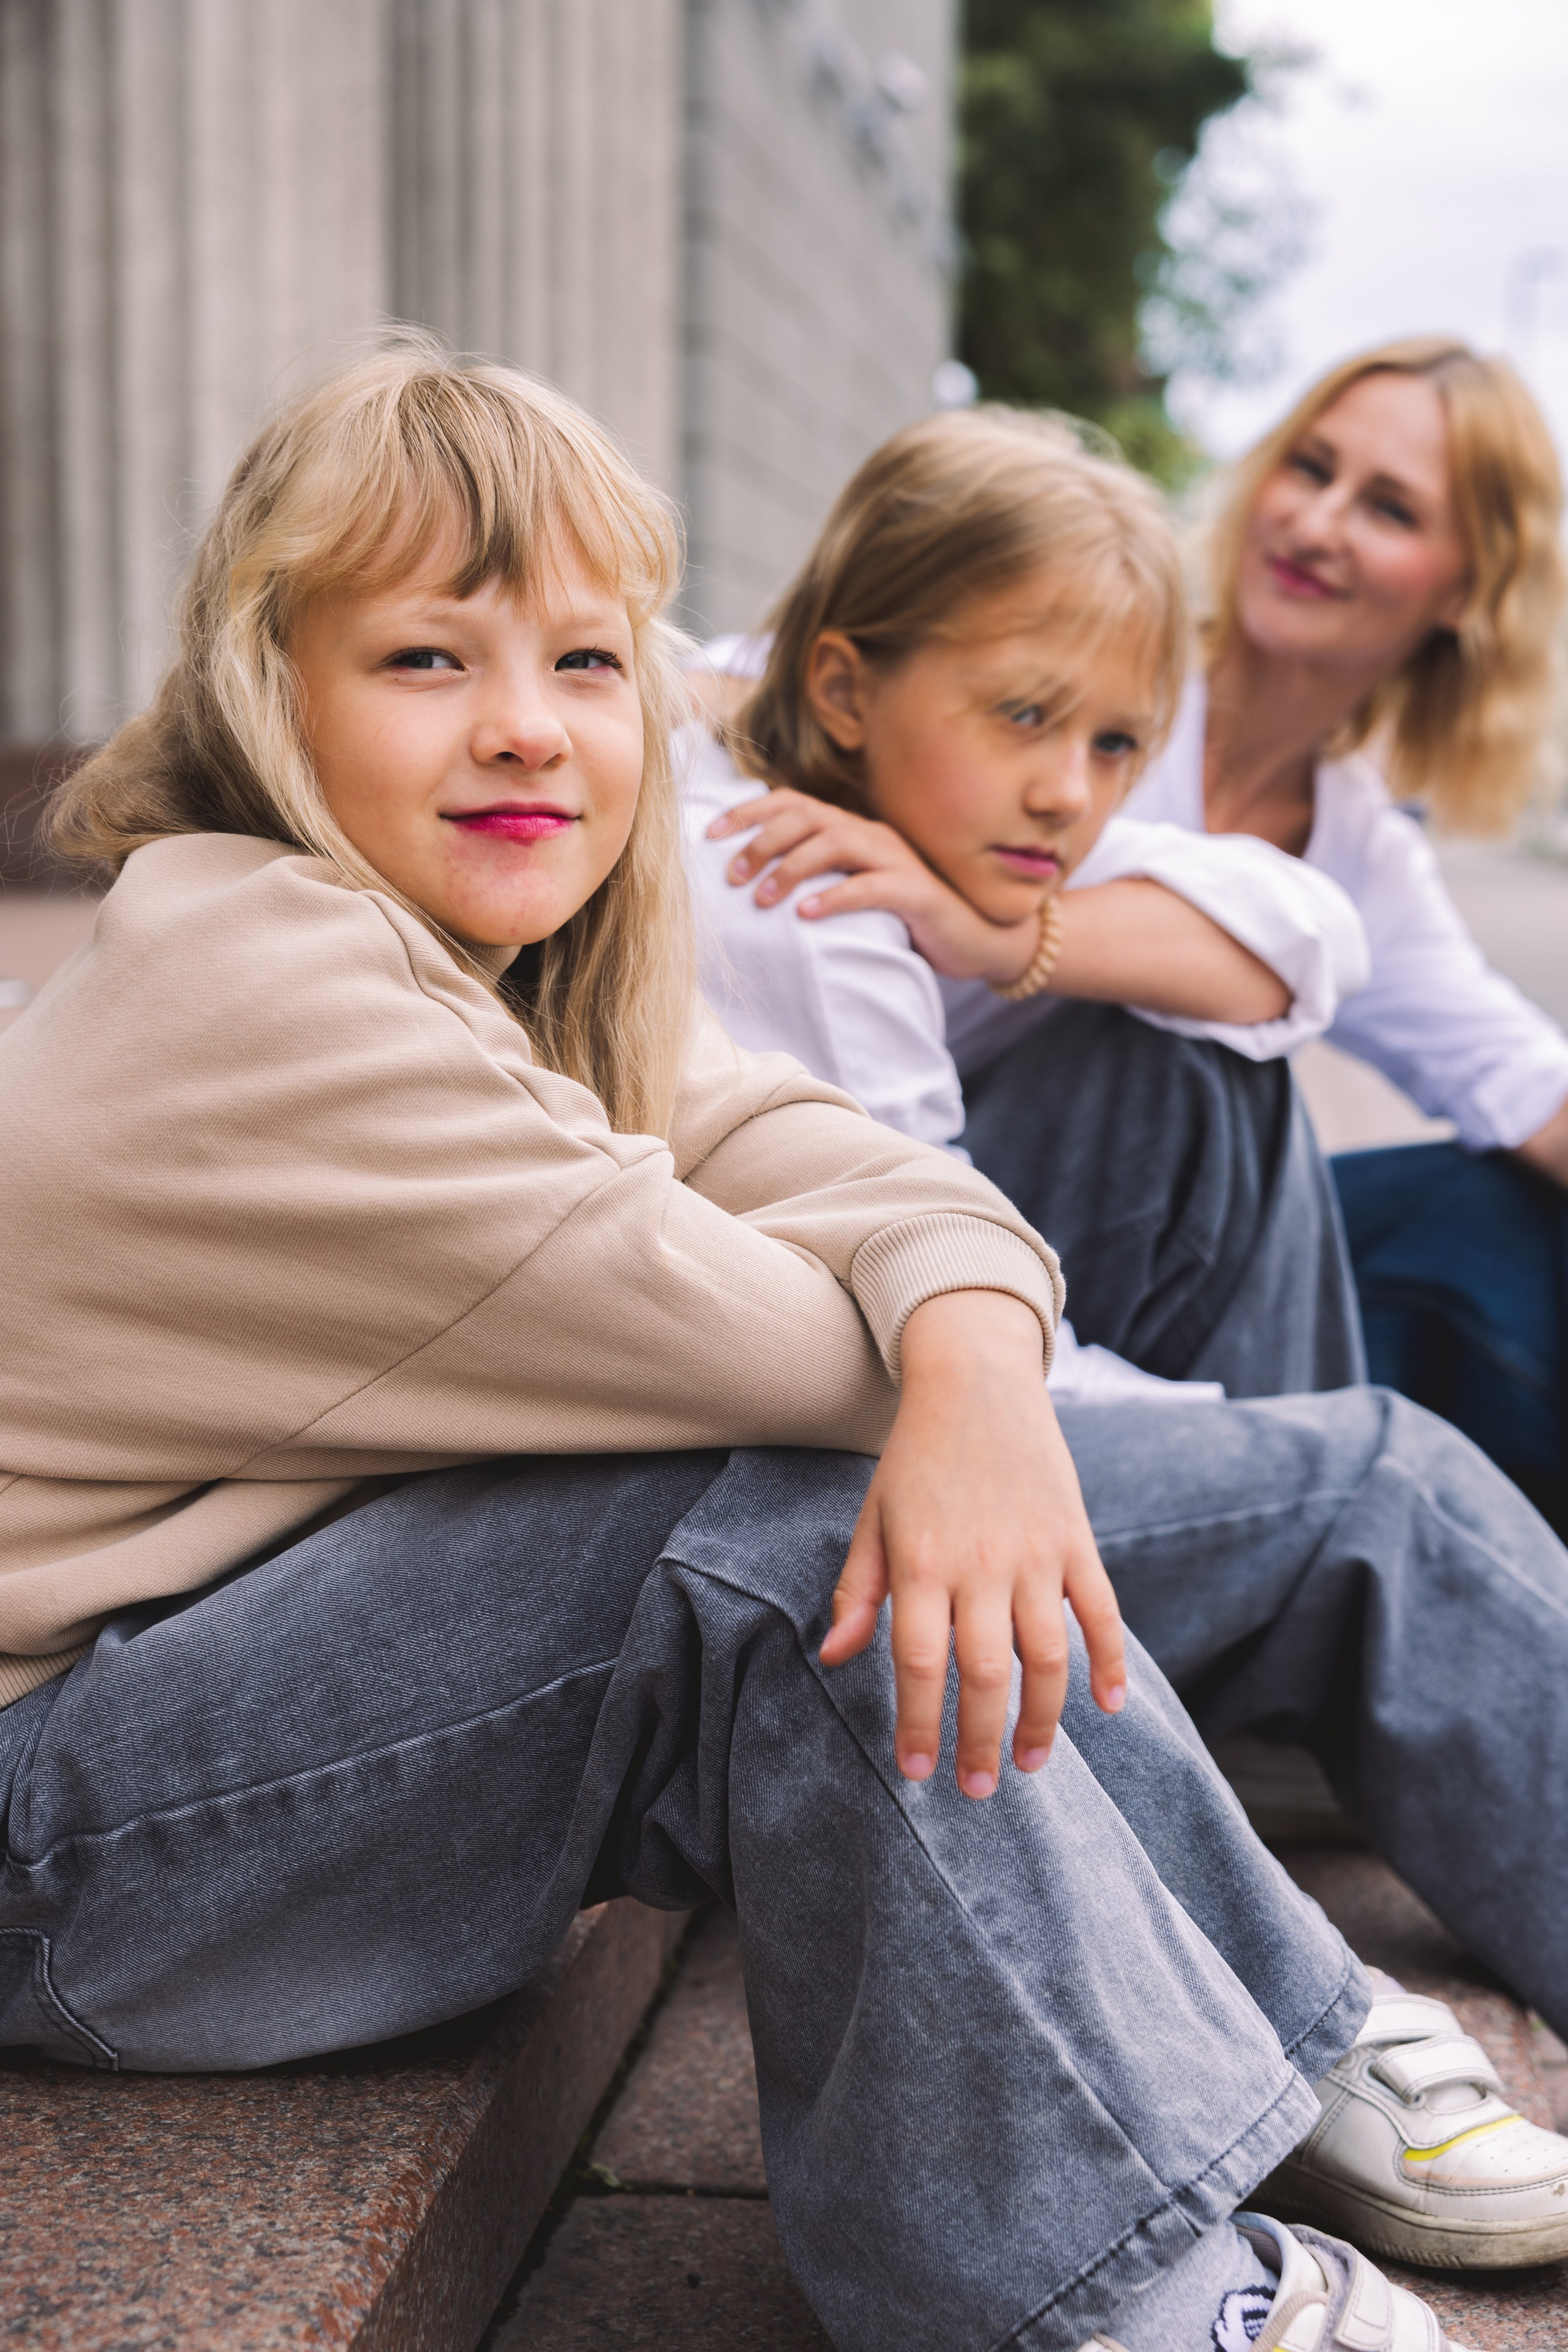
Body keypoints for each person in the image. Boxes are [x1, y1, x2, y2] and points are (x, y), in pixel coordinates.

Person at [0, 344, 1550, 2352]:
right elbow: (789, 1362)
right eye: (421, 662)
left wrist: (976, 1356)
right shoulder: (274, 993)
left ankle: (1268, 2019)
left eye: (581, 662)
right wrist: (964, 1364)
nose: (526, 734)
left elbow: (787, 1144)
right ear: (260, 684)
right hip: (67, 1841)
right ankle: (1090, 2276)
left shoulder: (469, 942)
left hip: (211, 1705)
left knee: (934, 1458)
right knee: (808, 1533)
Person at [688, 409, 1371, 1400]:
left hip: (925, 1312)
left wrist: (1001, 943)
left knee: (1202, 1064)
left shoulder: (958, 830)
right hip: (824, 1411)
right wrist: (1257, 1453)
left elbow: (1318, 937)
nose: (1069, 794)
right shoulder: (788, 882)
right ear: (842, 691)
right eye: (1023, 713)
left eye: (1115, 745)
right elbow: (945, 1312)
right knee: (1376, 1484)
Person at [1121, 336, 1568, 1522]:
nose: (1313, 524)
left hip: (1142, 1304)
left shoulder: (1359, 850)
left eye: (1384, 507)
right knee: (1218, 1081)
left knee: (1504, 1218)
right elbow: (775, 688)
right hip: (947, 1214)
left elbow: (1523, 1085)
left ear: (1465, 588)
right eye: (1306, 467)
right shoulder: (1096, 666)